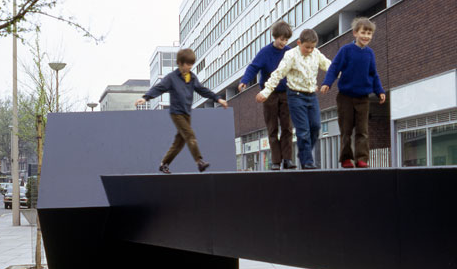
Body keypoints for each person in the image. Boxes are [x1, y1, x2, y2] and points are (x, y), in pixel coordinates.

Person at [135, 48, 228, 174]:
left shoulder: (192, 77)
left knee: (180, 142)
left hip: (187, 113)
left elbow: (202, 90)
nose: (189, 67)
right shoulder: (171, 78)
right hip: (176, 113)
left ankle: (164, 164)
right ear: (179, 63)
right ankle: (199, 162)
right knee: (190, 135)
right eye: (187, 64)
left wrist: (218, 99)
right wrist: (145, 97)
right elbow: (159, 88)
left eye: (191, 65)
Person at [256, 29, 331, 169]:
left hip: (311, 95)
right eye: (306, 47)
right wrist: (266, 92)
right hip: (295, 96)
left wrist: (342, 74)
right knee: (303, 130)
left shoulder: (316, 54)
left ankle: (303, 154)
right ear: (299, 43)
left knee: (315, 126)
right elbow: (277, 74)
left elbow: (329, 66)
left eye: (312, 47)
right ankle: (307, 161)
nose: (309, 50)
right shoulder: (290, 55)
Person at [321, 17, 385, 169]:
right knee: (346, 130)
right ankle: (346, 158)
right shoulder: (346, 50)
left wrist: (379, 90)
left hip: (363, 98)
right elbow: (334, 68)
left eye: (369, 34)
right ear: (355, 33)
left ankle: (362, 158)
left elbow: (373, 74)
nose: (366, 36)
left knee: (362, 130)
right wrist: (327, 83)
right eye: (363, 32)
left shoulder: (370, 53)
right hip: (345, 97)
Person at [239, 21, 296, 171]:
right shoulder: (265, 52)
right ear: (275, 36)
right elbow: (253, 67)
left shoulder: (290, 52)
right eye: (281, 39)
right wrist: (244, 81)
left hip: (286, 92)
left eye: (286, 40)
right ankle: (276, 161)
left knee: (287, 127)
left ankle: (288, 159)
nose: (283, 43)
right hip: (269, 93)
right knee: (272, 128)